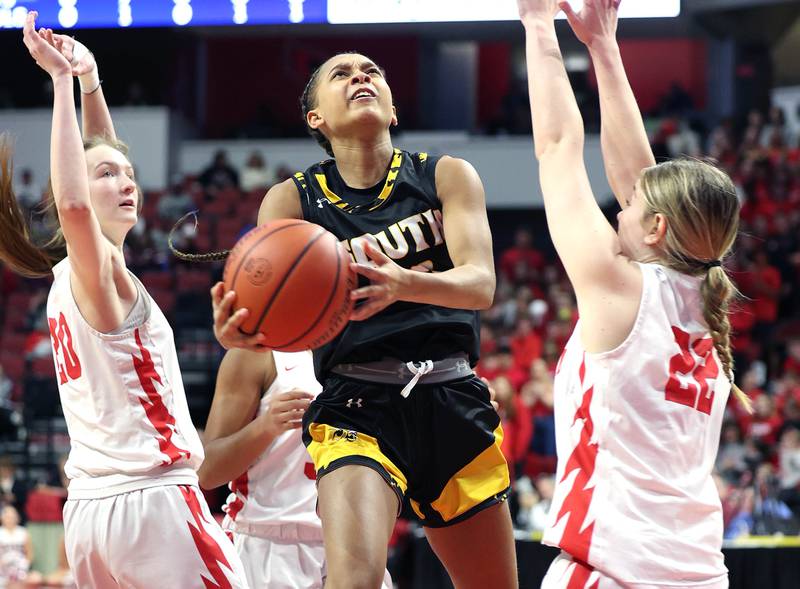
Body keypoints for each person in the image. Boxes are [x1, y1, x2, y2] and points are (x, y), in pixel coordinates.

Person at [211, 52, 517, 588]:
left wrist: (406, 282)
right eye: (342, 74)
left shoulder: (446, 175)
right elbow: (273, 315)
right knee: (355, 582)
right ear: (316, 119)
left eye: (373, 71)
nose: (361, 77)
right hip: (358, 402)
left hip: (451, 394)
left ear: (393, 108)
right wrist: (245, 331)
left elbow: (481, 285)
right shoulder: (290, 199)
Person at [0, 13, 248, 587]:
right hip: (154, 503)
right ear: (78, 189)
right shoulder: (101, 268)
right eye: (110, 175)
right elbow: (79, 203)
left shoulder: (76, 276)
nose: (127, 181)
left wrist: (91, 83)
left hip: (90, 511)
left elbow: (95, 166)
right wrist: (61, 83)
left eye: (132, 174)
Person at [517, 0, 749, 587]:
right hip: (699, 573)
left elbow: (558, 150)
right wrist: (602, 48)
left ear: (657, 229)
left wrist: (536, 22)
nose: (620, 210)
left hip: (614, 571)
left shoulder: (622, 287)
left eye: (632, 210)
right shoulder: (706, 292)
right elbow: (641, 180)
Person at [198, 349, 392, 588]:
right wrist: (265, 426)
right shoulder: (256, 354)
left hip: (355, 542)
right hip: (268, 542)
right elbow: (209, 471)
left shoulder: (376, 350)